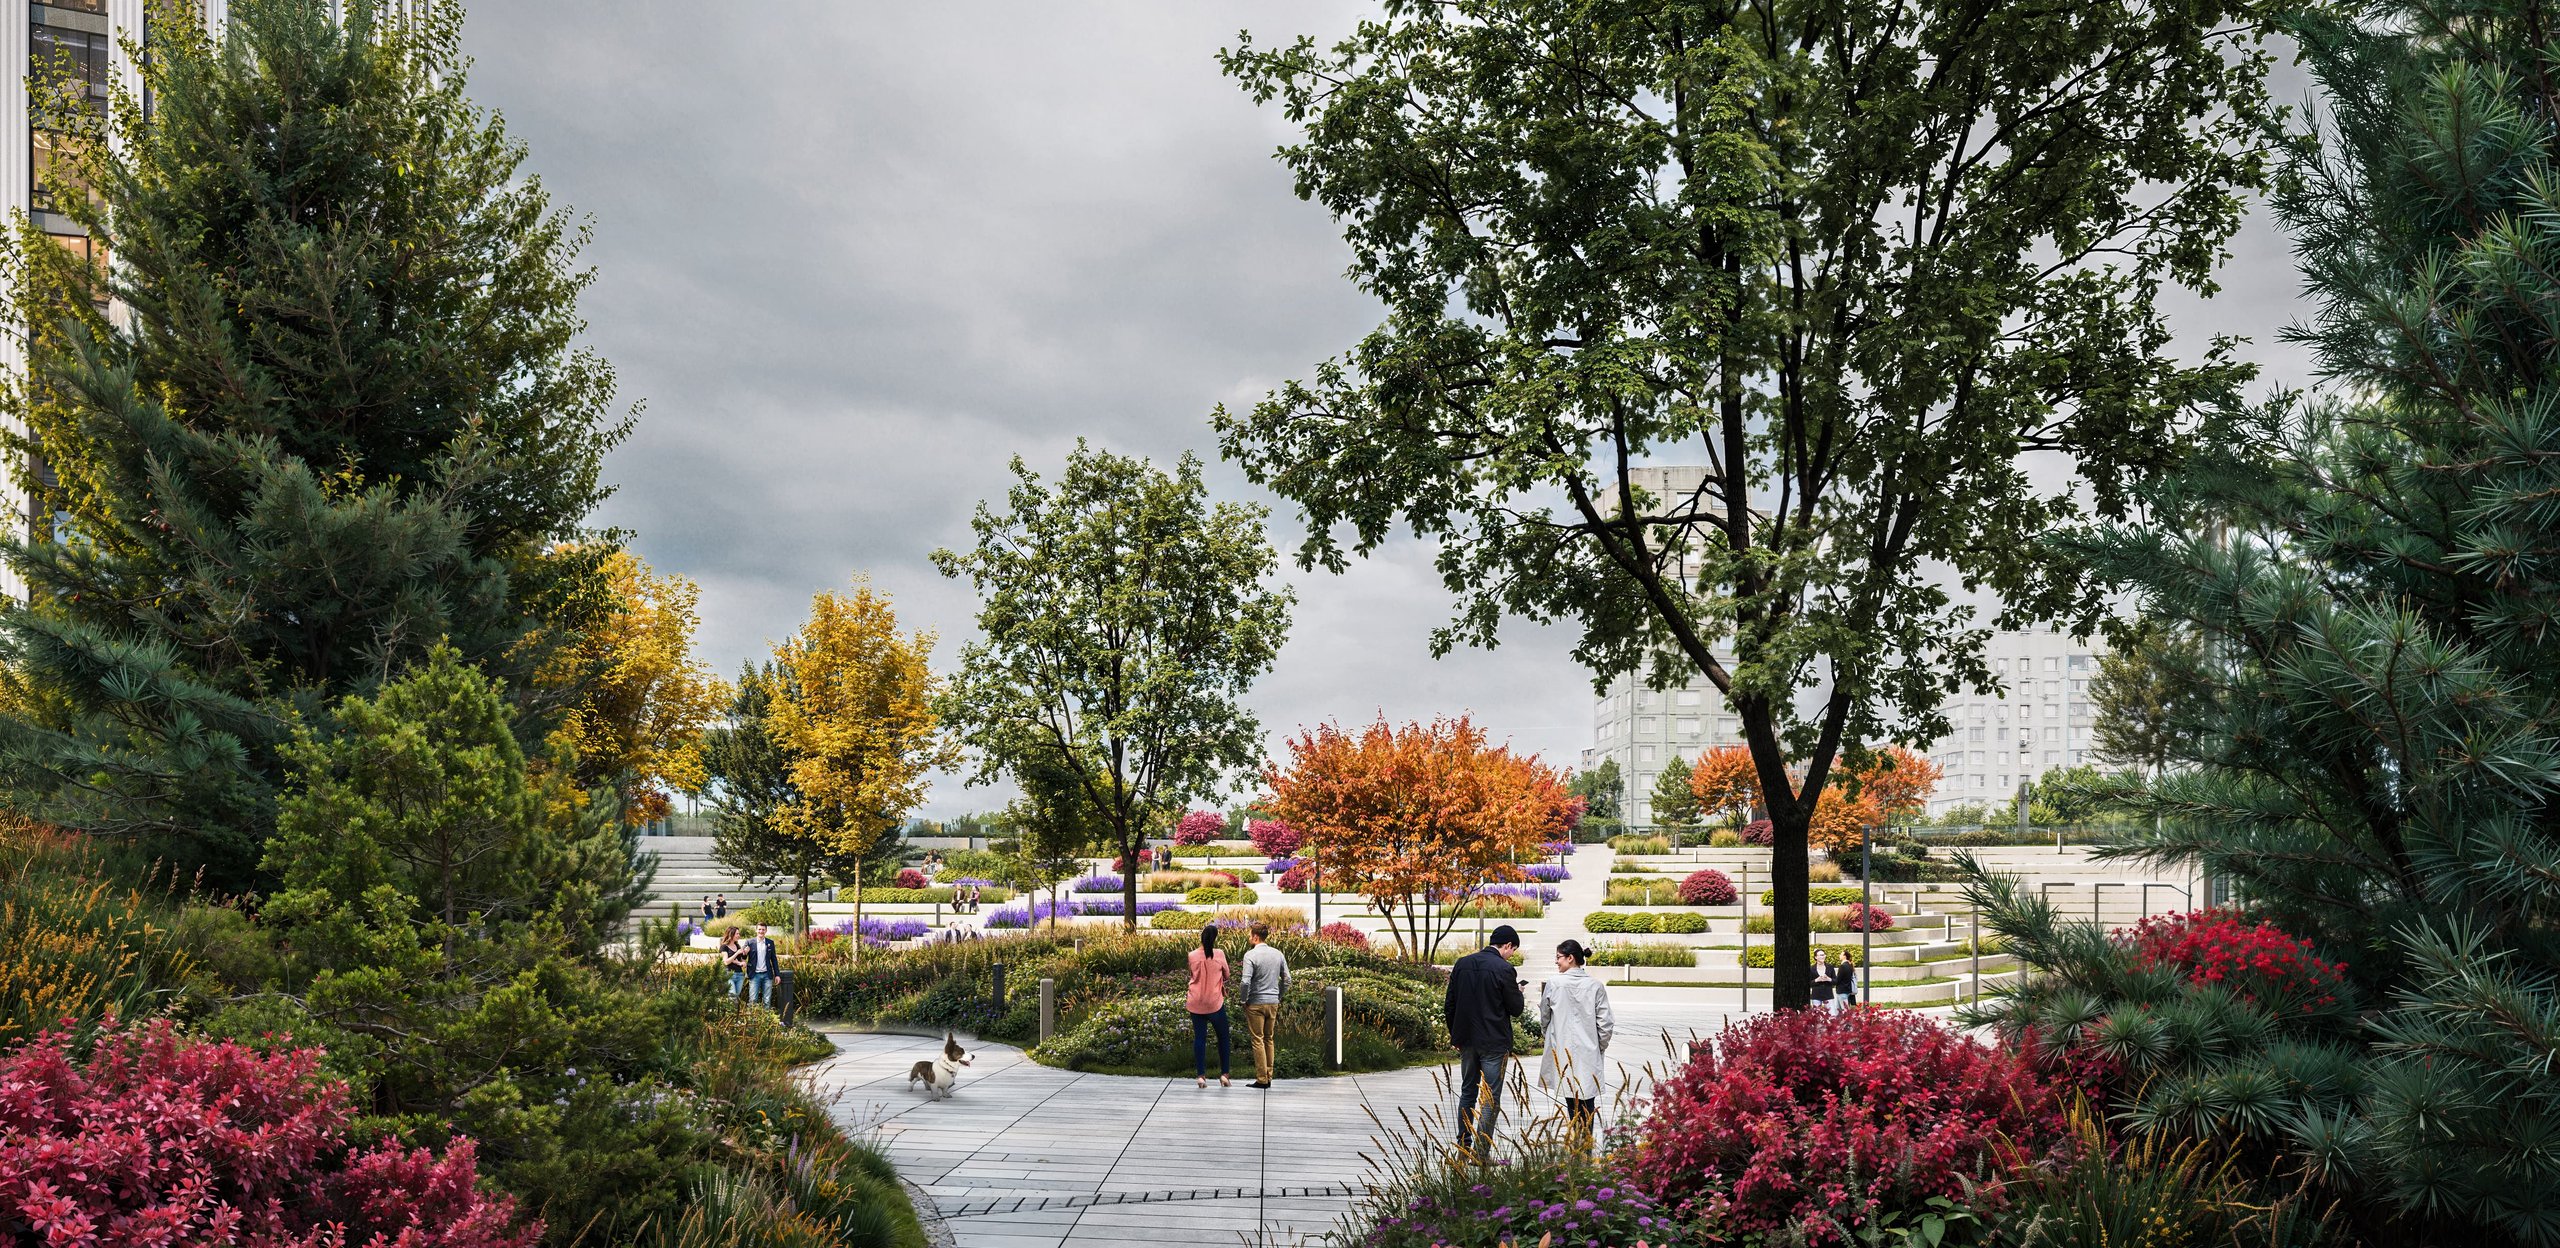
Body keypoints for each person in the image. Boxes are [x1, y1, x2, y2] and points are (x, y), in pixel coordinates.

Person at [1445, 924, 1526, 1155]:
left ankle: (1463, 1144)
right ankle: (1481, 1152)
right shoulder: (1504, 969)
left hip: (1467, 1040)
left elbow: (1449, 1004)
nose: (1512, 955)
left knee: (1467, 1092)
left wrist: (1456, 1035)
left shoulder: (1462, 963)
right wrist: (1518, 993)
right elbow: (1516, 1009)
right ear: (1508, 945)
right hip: (1494, 1041)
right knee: (1490, 1097)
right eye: (1513, 950)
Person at [1538, 939, 1615, 1152]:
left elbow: (1544, 1016)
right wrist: (1599, 1046)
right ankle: (1585, 1147)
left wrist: (1551, 1037)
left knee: (1571, 1100)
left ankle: (1577, 1148)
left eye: (1558, 958)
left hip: (1562, 1049)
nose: (1556, 962)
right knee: (1588, 1101)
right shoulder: (1596, 986)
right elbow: (1606, 1023)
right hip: (1588, 1050)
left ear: (1570, 958)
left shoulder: (1554, 984)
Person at [1240, 922, 1292, 1088]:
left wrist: (1243, 999)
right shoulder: (1278, 954)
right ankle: (1269, 1075)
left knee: (1258, 1040)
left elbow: (1245, 981)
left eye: (1250, 935)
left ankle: (1262, 1079)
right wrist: (1278, 996)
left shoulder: (1250, 955)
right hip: (1273, 1002)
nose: (1249, 938)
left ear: (1255, 937)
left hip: (1255, 1003)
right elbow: (1287, 980)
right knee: (1269, 1038)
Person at [1188, 926, 1233, 1089]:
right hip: (1214, 1003)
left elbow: (1192, 975)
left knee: (1200, 1038)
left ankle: (1201, 1076)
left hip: (1196, 1002)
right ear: (1215, 938)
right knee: (1223, 1037)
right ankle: (1224, 1074)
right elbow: (1227, 975)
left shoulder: (1192, 955)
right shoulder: (1219, 954)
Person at [743, 924, 781, 1006]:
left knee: (767, 1000)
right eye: (759, 929)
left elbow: (774, 960)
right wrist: (745, 952)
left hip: (767, 975)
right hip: (754, 975)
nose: (761, 931)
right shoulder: (749, 942)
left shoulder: (770, 943)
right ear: (756, 930)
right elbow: (743, 957)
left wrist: (777, 975)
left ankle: (767, 1014)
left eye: (763, 929)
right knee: (753, 1000)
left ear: (766, 931)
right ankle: (752, 1014)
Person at [719, 929, 747, 999]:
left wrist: (744, 955)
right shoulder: (724, 947)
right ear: (731, 934)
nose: (739, 935)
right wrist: (737, 953)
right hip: (729, 974)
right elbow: (726, 962)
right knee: (732, 997)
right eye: (737, 934)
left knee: (736, 997)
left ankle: (730, 1006)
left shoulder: (737, 946)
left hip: (740, 975)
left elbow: (742, 961)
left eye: (739, 933)